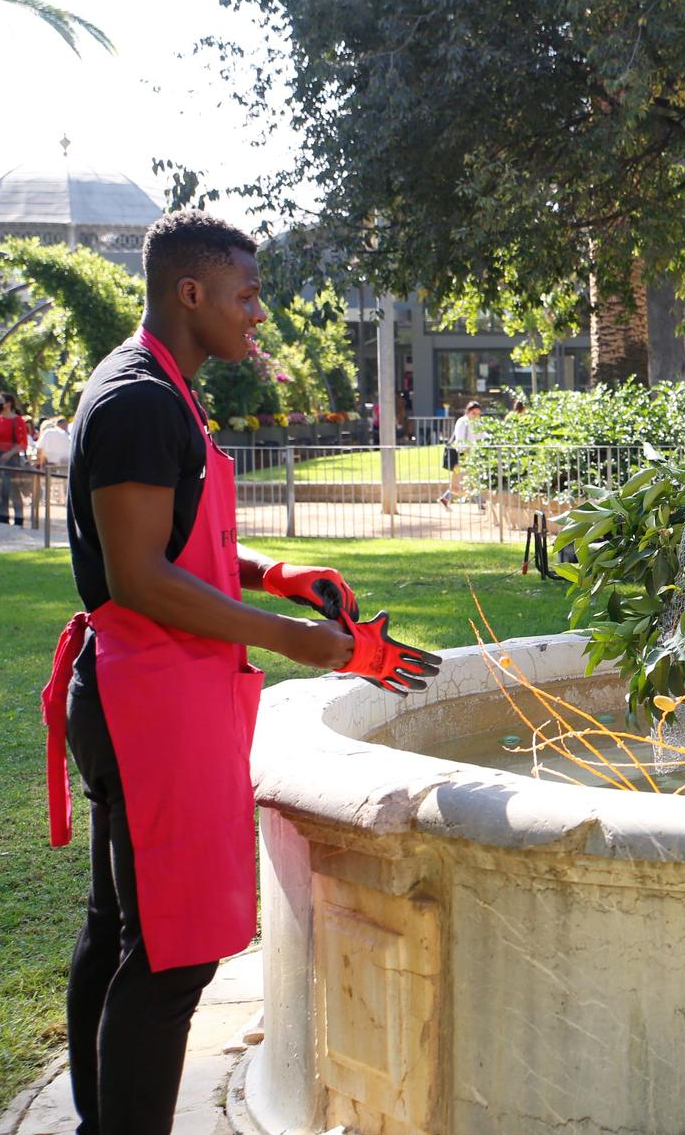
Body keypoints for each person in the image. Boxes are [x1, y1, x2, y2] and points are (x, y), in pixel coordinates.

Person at [38, 210, 442, 1134]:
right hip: (147, 707)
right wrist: (291, 637)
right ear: (192, 292)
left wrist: (277, 573)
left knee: (119, 932)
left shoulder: (159, 384)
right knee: (171, 959)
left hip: (145, 698)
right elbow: (138, 575)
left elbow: (176, 537)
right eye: (247, 295)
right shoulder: (139, 397)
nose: (258, 314)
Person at [0, 390, 31, 526]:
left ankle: (18, 520)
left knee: (13, 490)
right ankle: (2, 518)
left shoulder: (17, 420)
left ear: (8, 403)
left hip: (10, 459)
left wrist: (9, 454)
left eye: (1, 401)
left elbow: (23, 443)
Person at [440, 399, 484, 508]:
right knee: (463, 480)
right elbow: (460, 439)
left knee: (466, 480)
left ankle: (446, 498)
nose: (476, 416)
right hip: (462, 455)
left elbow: (481, 436)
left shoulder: (477, 423)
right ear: (468, 412)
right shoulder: (462, 422)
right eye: (474, 413)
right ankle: (480, 503)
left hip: (470, 455)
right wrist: (464, 453)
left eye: (478, 413)